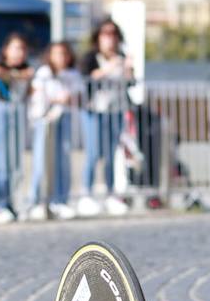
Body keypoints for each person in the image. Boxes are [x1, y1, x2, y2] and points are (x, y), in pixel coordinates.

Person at [77, 19, 132, 217]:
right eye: (105, 34)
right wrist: (110, 67)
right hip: (94, 110)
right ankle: (86, 194)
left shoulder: (122, 56)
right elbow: (87, 76)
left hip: (115, 110)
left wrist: (128, 68)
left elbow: (130, 82)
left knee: (111, 155)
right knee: (93, 153)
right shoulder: (91, 57)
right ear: (98, 37)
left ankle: (110, 194)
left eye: (113, 34)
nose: (110, 38)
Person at [0, 33, 33, 224]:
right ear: (6, 50)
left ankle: (11, 203)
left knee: (15, 164)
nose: (18, 52)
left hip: (18, 114)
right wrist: (15, 74)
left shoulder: (27, 68)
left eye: (22, 48)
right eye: (15, 48)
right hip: (2, 114)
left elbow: (29, 80)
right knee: (1, 163)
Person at [28, 41, 80, 221]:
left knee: (63, 159)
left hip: (63, 118)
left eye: (64, 54)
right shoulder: (44, 72)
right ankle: (36, 201)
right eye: (57, 54)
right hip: (45, 119)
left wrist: (64, 99)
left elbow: (77, 95)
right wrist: (56, 99)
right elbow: (39, 93)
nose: (61, 58)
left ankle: (60, 200)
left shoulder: (72, 74)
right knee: (41, 160)